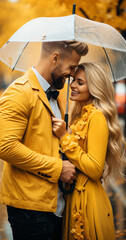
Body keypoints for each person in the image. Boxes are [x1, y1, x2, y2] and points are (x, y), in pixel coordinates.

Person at [0, 41, 88, 240]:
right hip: (30, 211)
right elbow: (5, 146)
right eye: (72, 67)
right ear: (55, 58)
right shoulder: (19, 92)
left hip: (54, 205)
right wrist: (58, 169)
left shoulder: (55, 96)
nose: (73, 74)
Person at [52, 62, 126, 240]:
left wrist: (65, 137)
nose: (72, 85)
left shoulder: (97, 117)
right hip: (74, 196)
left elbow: (95, 170)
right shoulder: (79, 116)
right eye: (73, 80)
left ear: (94, 88)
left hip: (88, 202)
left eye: (80, 83)